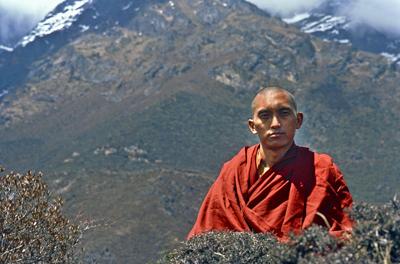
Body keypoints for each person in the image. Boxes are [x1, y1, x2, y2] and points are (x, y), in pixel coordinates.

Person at [187, 86, 353, 240]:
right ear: (253, 126)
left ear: (298, 120)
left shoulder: (320, 168)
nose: (275, 124)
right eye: (265, 116)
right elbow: (209, 229)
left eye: (284, 113)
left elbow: (346, 229)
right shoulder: (235, 170)